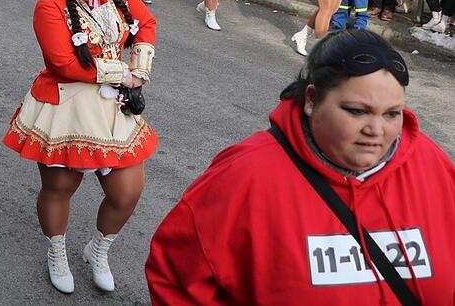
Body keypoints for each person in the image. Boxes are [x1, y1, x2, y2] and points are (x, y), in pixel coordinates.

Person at [146, 29, 455, 304]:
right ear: (311, 99)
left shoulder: (430, 164)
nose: (376, 130)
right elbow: (177, 278)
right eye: (357, 111)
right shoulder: (245, 174)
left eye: (392, 114)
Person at [3, 0, 157, 295]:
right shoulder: (49, 4)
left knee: (127, 192)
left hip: (113, 106)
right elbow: (64, 64)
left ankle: (98, 248)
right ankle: (57, 250)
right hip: (66, 105)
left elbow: (147, 24)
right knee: (60, 188)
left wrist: (140, 68)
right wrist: (125, 73)